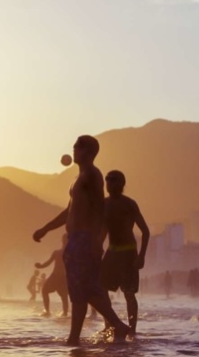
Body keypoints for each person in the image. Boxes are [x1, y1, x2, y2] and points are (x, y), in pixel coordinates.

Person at [31, 135, 133, 345]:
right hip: (76, 239)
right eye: (75, 146)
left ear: (89, 151)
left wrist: (96, 239)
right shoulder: (79, 178)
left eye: (78, 147)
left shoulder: (93, 175)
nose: (74, 149)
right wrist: (46, 229)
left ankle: (75, 338)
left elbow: (99, 208)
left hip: (85, 240)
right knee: (85, 290)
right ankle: (114, 326)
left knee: (81, 290)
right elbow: (69, 211)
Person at [99, 170, 152, 335]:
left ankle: (132, 330)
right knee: (101, 290)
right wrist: (97, 249)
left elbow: (145, 231)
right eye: (107, 180)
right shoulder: (104, 204)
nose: (109, 183)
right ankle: (109, 326)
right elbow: (103, 230)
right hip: (112, 252)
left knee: (129, 294)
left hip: (128, 253)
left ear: (121, 184)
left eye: (113, 180)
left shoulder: (129, 204)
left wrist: (141, 256)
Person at [35, 248, 69, 317]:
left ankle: (52, 312)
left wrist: (40, 266)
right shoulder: (58, 252)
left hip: (59, 276)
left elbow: (48, 262)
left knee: (63, 295)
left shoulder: (59, 252)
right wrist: (40, 266)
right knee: (63, 296)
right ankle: (50, 312)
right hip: (59, 276)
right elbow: (48, 262)